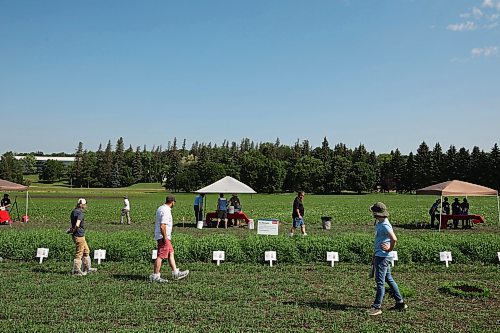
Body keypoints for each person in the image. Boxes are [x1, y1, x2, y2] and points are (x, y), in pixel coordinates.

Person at [368, 202, 407, 316]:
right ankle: (400, 302)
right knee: (388, 279)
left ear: (376, 213)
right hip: (381, 255)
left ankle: (377, 307)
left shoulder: (384, 224)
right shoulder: (381, 222)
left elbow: (394, 239)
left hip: (383, 257)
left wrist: (389, 249)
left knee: (380, 282)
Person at [150, 195, 189, 283]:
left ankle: (176, 272)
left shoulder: (160, 208)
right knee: (161, 255)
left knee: (171, 252)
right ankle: (155, 275)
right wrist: (165, 238)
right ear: (172, 202)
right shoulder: (166, 211)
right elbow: (163, 225)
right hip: (163, 236)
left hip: (163, 235)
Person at [68, 198, 97, 276]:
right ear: (81, 205)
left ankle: (87, 268)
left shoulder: (73, 211)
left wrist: (71, 230)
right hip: (79, 235)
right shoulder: (80, 213)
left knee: (86, 251)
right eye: (84, 205)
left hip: (77, 235)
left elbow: (73, 224)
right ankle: (76, 271)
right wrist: (74, 230)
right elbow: (77, 224)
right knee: (79, 253)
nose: (85, 206)